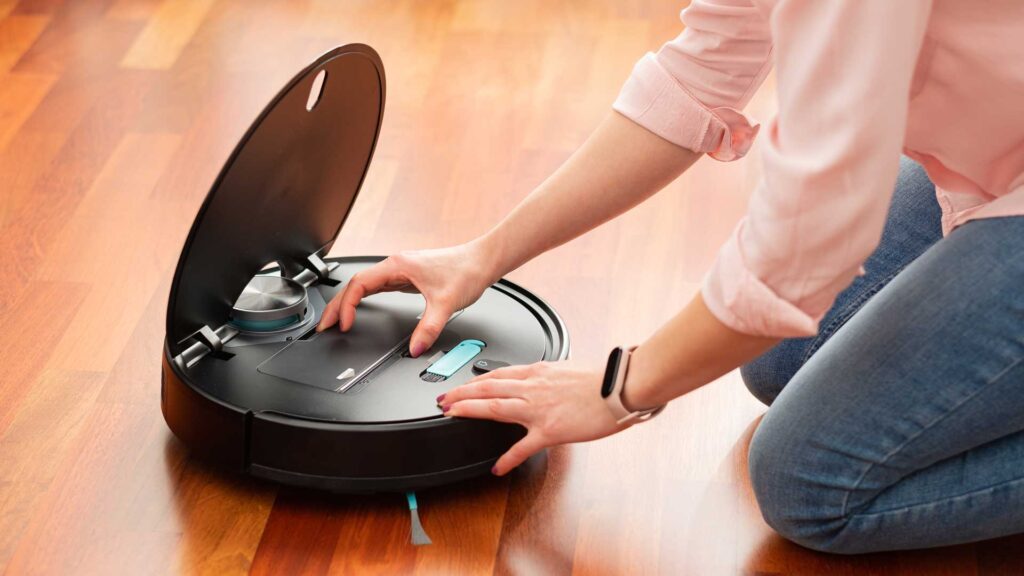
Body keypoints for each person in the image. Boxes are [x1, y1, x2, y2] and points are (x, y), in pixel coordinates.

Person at [317, 0, 1024, 554]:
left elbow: (809, 237)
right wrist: (485, 254)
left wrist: (622, 389)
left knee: (809, 484)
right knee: (776, 363)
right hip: (996, 149)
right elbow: (699, 76)